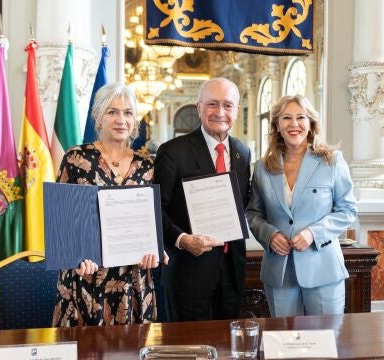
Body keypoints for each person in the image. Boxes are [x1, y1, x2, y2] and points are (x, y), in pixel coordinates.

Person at [52, 82, 165, 326]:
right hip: (86, 278)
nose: (121, 119)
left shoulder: (147, 166)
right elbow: (61, 221)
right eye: (112, 112)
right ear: (98, 118)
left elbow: (153, 220)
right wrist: (76, 257)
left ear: (135, 121)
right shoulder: (75, 158)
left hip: (133, 280)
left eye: (128, 113)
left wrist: (155, 250)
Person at [246, 94, 357, 317]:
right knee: (283, 344)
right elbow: (254, 213)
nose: (294, 124)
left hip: (323, 268)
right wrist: (269, 235)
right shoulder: (262, 167)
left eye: (301, 117)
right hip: (279, 271)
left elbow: (348, 210)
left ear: (310, 124)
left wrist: (312, 234)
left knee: (327, 342)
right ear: (277, 125)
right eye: (286, 118)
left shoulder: (331, 160)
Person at [154, 77, 251, 321]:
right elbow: (156, 210)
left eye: (228, 105)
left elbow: (244, 204)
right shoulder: (173, 152)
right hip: (188, 273)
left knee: (227, 347)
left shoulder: (242, 153)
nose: (220, 112)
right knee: (189, 350)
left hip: (232, 270)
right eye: (212, 104)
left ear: (237, 111)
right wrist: (182, 239)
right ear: (199, 108)